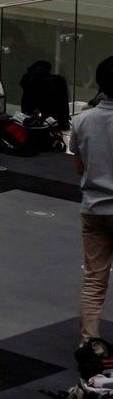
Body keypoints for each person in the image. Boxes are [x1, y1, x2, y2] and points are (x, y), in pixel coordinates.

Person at [74, 56, 113, 344]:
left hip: (94, 207)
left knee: (94, 279)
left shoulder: (82, 119)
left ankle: (89, 342)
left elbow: (79, 166)